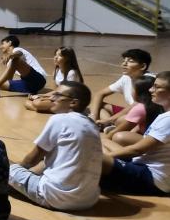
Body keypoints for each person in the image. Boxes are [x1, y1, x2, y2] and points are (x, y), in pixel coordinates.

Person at [8, 81, 102, 211]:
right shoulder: (92, 125)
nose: (51, 98)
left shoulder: (60, 119)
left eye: (58, 95)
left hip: (56, 197)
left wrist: (14, 171)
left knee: (2, 163)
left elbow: (32, 159)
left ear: (73, 102)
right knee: (49, 159)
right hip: (89, 199)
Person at [99, 71, 170, 196]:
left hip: (153, 178)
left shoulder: (168, 119)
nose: (150, 89)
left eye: (157, 87)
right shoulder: (164, 115)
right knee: (102, 143)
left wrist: (102, 158)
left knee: (92, 158)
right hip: (143, 164)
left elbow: (137, 150)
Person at [90, 49, 153, 130]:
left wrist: (109, 119)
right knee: (99, 105)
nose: (124, 64)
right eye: (124, 61)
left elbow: (137, 105)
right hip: (132, 111)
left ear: (143, 66)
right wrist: (93, 117)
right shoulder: (126, 78)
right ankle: (108, 126)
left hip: (145, 115)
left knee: (120, 121)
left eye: (130, 61)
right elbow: (99, 94)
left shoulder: (149, 81)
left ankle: (109, 125)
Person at [105, 77, 164, 147]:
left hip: (153, 141)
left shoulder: (140, 108)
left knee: (118, 137)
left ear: (139, 93)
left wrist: (102, 141)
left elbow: (117, 131)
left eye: (132, 89)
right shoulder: (156, 102)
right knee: (121, 120)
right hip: (158, 136)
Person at [24, 47, 83, 112]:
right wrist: (41, 96)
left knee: (36, 103)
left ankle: (53, 110)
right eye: (55, 55)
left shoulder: (71, 73)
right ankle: (51, 110)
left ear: (67, 58)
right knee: (27, 102)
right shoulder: (57, 70)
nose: (56, 57)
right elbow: (56, 90)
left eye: (60, 55)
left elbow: (68, 95)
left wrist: (44, 98)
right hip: (59, 98)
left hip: (68, 101)